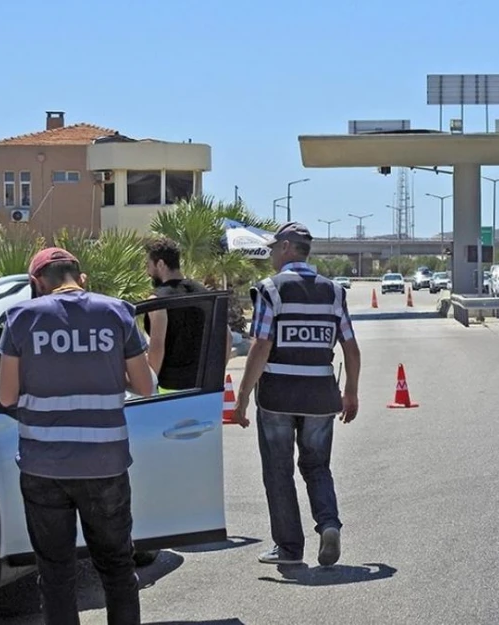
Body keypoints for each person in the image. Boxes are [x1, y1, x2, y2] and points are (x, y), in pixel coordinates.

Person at [0, 247, 155, 625]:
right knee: (117, 566)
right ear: (81, 278)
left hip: (43, 467)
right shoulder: (116, 312)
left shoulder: (20, 318)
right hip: (105, 464)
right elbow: (145, 386)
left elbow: (5, 395)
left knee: (54, 571)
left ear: (37, 283)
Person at [231, 222, 361, 568]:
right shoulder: (334, 292)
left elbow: (261, 345)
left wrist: (242, 397)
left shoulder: (270, 290)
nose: (272, 253)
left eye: (275, 248)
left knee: (278, 470)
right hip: (321, 396)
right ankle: (329, 524)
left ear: (288, 248)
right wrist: (350, 392)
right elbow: (350, 347)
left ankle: (289, 547)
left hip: (278, 397)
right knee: (317, 466)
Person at [143, 236, 232, 392]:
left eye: (148, 265)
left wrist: (149, 386)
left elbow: (157, 347)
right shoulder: (205, 294)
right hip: (204, 388)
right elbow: (227, 337)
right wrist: (213, 375)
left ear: (161, 264)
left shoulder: (157, 300)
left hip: (169, 389)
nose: (147, 272)